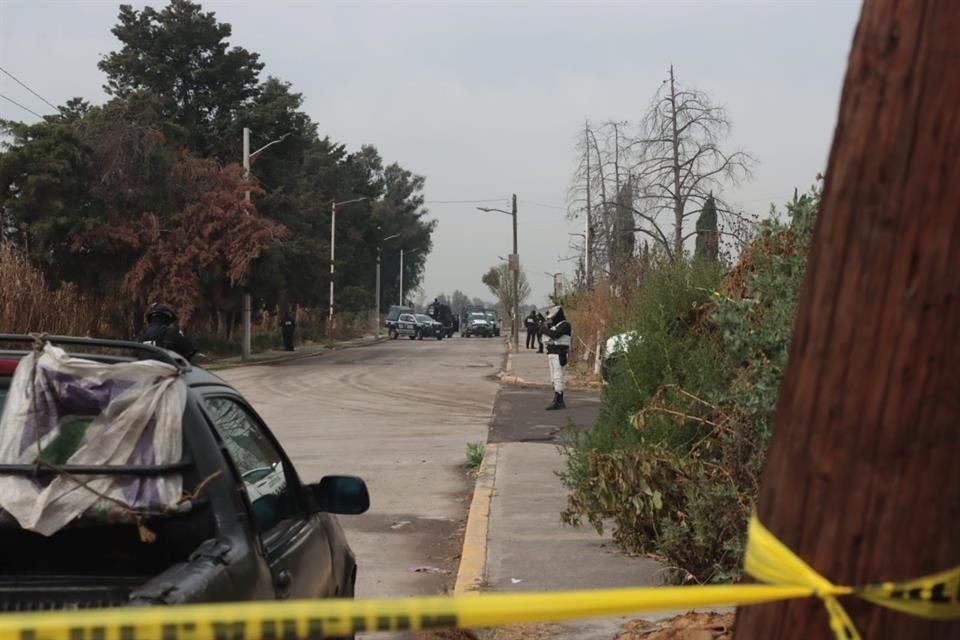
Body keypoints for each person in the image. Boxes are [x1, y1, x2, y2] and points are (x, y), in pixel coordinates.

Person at [542, 306, 572, 410]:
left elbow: (555, 335)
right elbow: (545, 339)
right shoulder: (555, 326)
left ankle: (558, 400)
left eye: (553, 317)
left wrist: (544, 330)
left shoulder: (565, 325)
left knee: (558, 377)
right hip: (552, 353)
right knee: (553, 378)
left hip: (560, 354)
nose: (552, 319)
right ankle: (559, 400)